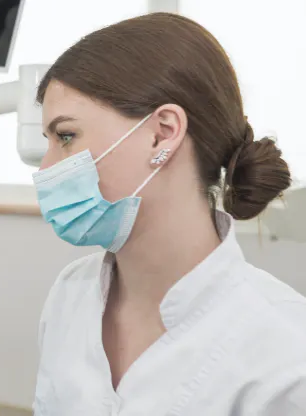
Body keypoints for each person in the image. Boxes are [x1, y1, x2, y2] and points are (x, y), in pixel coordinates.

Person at [31, 13, 306, 415]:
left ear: (162, 132)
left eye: (66, 136)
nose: (44, 169)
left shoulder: (285, 349)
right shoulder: (70, 292)